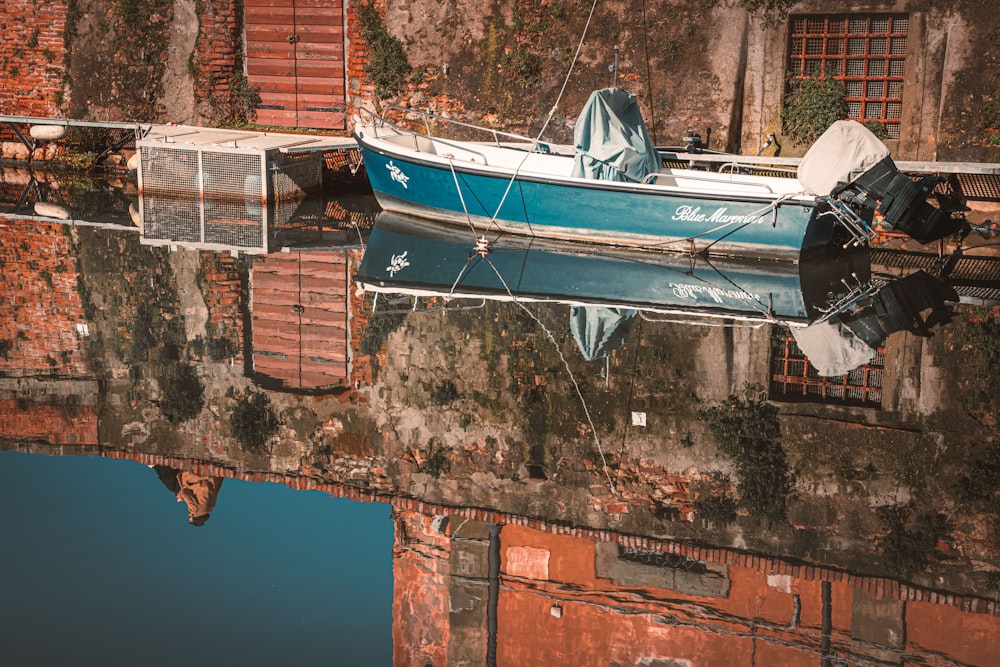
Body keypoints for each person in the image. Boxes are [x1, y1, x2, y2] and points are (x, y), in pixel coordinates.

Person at [154, 466, 224, 526]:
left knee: (174, 484)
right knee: (171, 485)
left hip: (208, 477)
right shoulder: (196, 511)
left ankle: (159, 466)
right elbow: (185, 493)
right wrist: (180, 498)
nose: (189, 515)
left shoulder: (211, 505)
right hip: (195, 478)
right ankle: (156, 465)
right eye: (190, 518)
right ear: (195, 518)